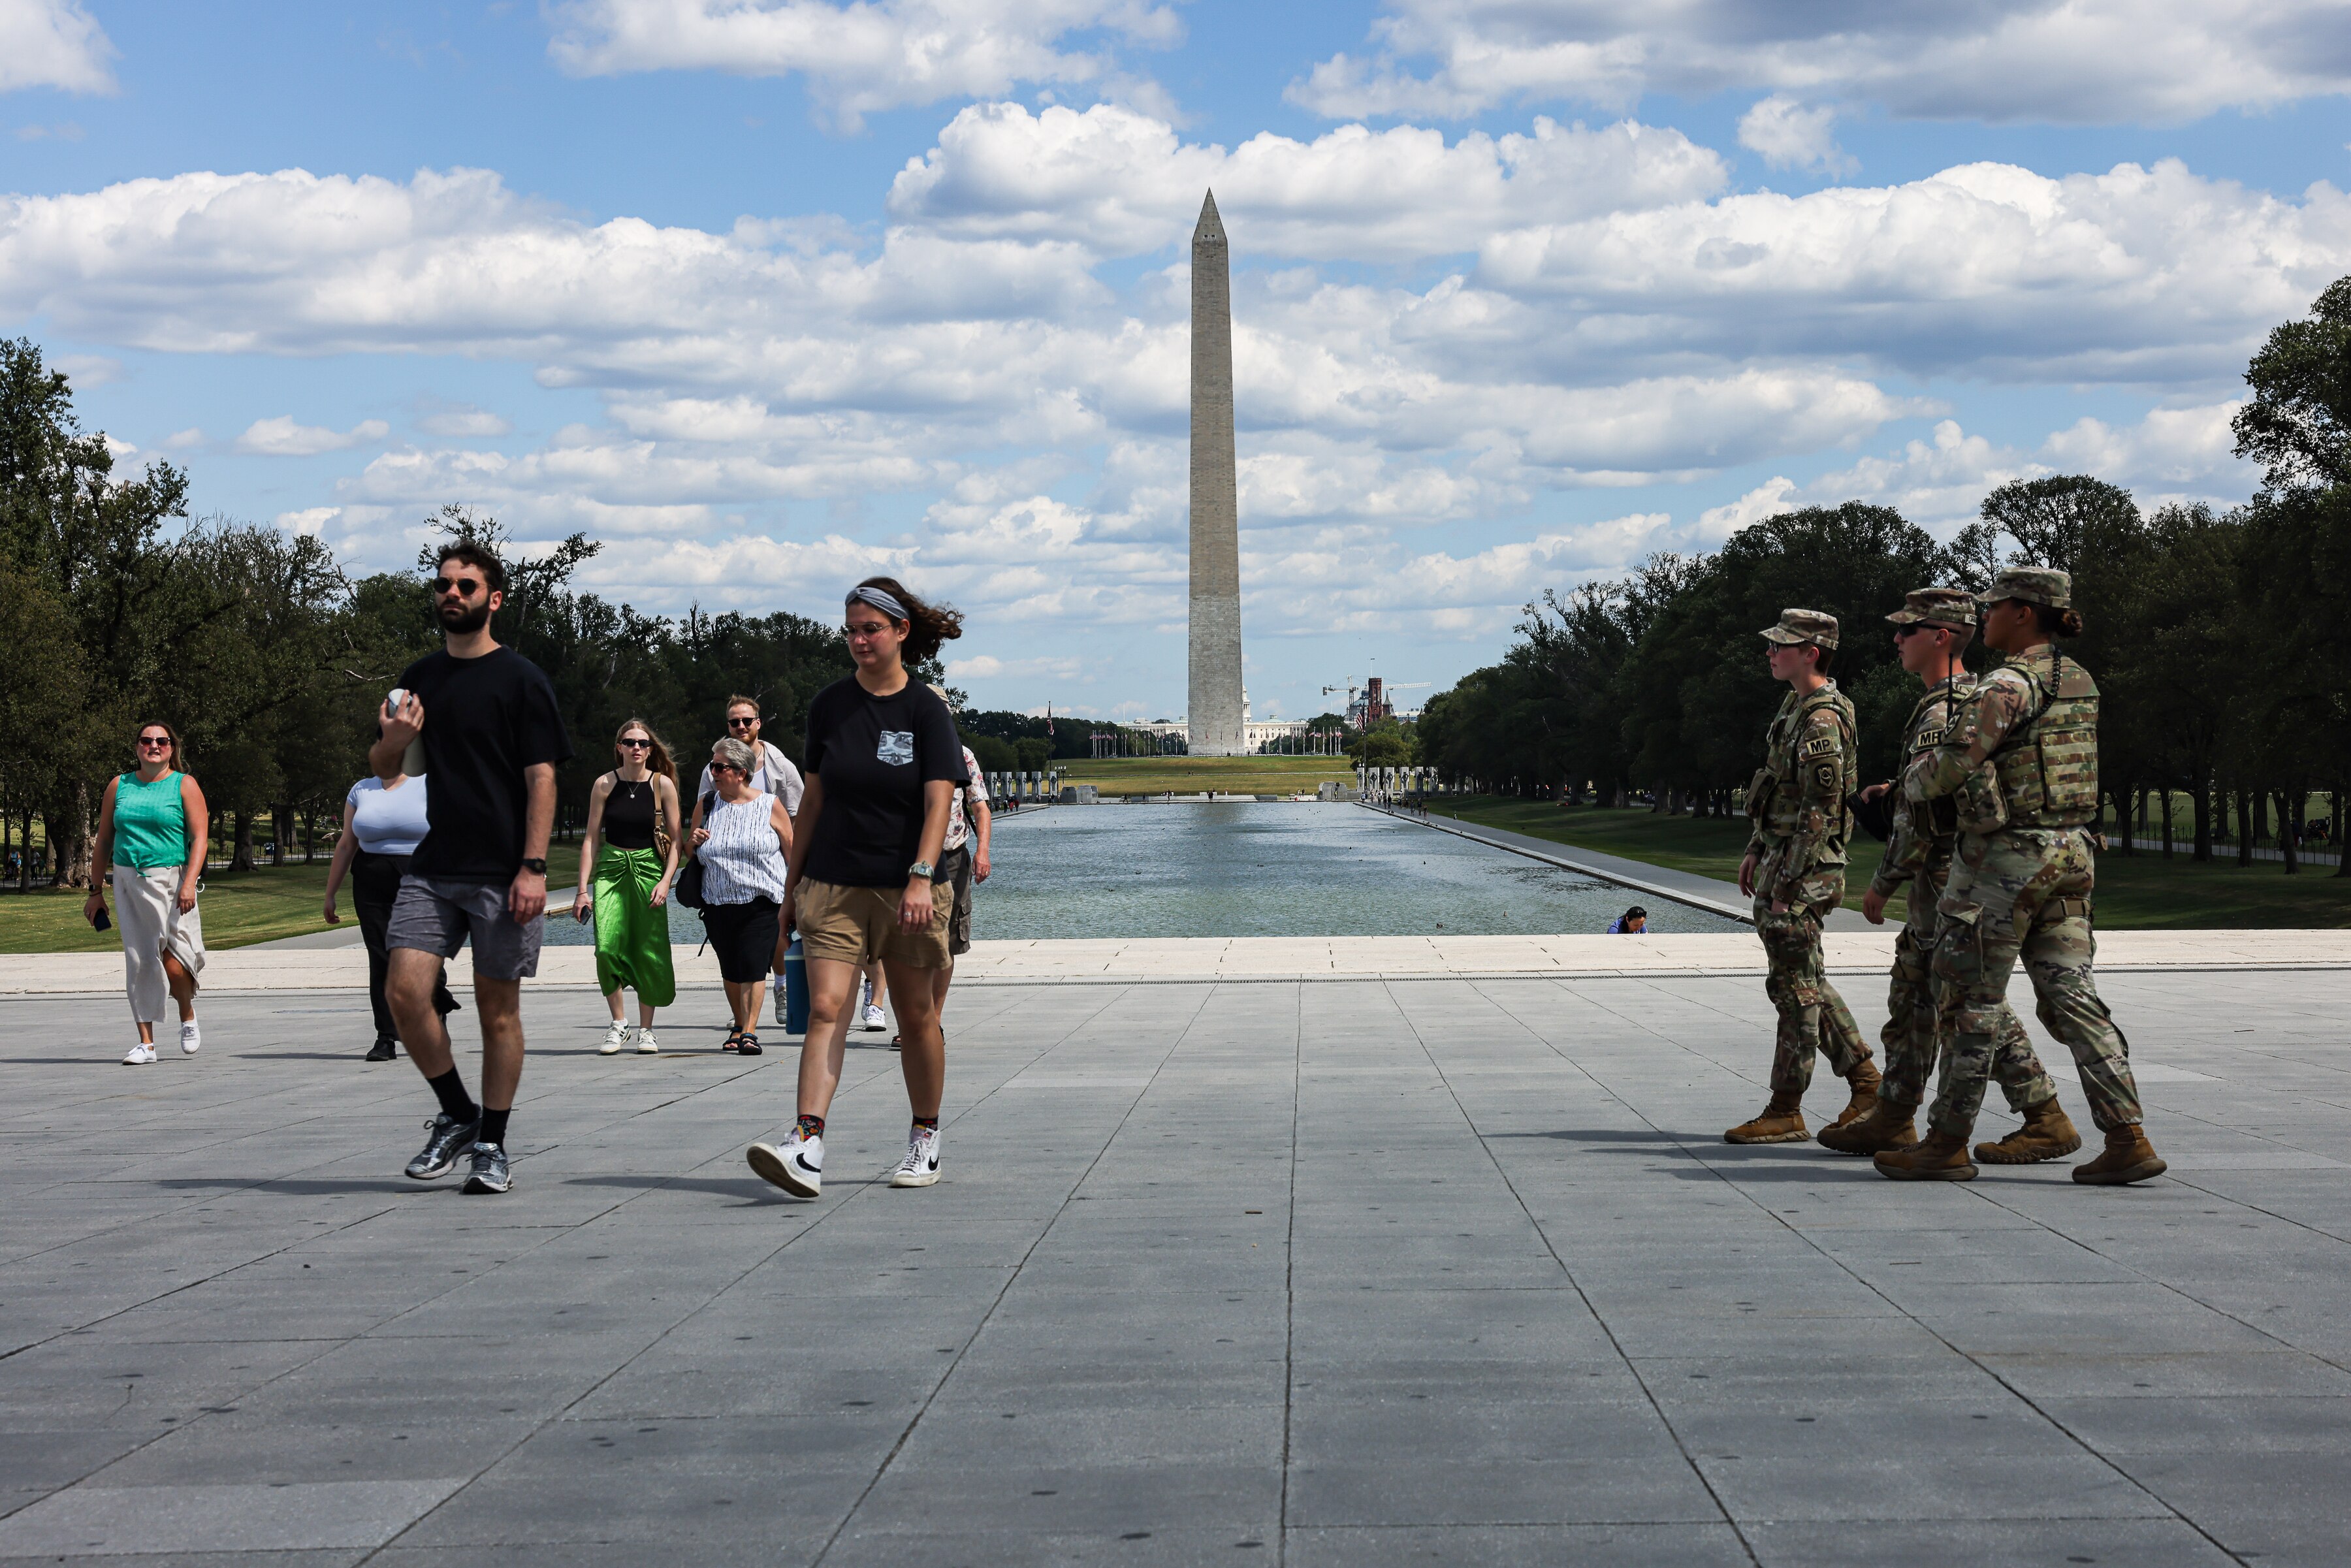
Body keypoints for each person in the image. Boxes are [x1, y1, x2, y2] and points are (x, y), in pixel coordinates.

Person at [1876, 568, 2166, 1185]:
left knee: (1969, 1000)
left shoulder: (2006, 683)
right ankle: (2127, 1135)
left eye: (1995, 606)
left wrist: (1906, 781)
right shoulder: (2079, 680)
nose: (1985, 616)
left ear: (2025, 613)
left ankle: (1946, 1141)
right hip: (2071, 853)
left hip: (2005, 862)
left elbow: (1950, 766)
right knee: (2073, 997)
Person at [1823, 588, 2073, 1159]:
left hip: (1948, 884)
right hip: (1946, 884)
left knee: (1968, 1001)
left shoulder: (1946, 707)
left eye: (1907, 630)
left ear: (1941, 636)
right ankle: (1892, 1113)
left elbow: (1922, 818)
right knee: (1913, 996)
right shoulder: (1951, 700)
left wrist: (1885, 879)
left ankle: (2044, 1113)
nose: (1896, 639)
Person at [746, 576, 967, 1198]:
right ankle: (806, 1142)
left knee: (916, 1014)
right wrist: (791, 889)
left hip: (907, 889)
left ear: (901, 632)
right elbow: (812, 800)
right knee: (824, 1008)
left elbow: (937, 802)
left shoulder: (925, 709)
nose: (859, 640)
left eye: (872, 628)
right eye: (851, 629)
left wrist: (922, 877)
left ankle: (925, 1137)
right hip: (833, 881)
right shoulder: (830, 706)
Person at [376, 539, 573, 1196]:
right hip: (435, 864)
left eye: (464, 585)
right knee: (404, 992)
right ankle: (458, 1113)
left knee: (498, 1013)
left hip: (505, 870)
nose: (450, 594)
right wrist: (396, 742)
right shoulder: (420, 677)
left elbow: (542, 778)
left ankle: (492, 1141)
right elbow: (387, 768)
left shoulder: (523, 680)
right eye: (442, 585)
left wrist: (534, 867)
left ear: (493, 598)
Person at [1727, 609, 1880, 1144]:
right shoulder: (1795, 706)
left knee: (1794, 990)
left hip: (1804, 872)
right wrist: (1756, 847)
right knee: (1805, 982)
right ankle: (1867, 1084)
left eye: (1782, 646)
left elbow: (1820, 809)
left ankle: (1786, 1108)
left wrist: (1788, 884)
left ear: (1812, 652)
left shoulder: (1822, 718)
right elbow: (1776, 789)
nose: (1771, 653)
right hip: (1783, 862)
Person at [84, 722, 208, 1064]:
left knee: (175, 964)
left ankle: (186, 1012)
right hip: (128, 880)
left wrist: (188, 883)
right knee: (139, 960)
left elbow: (199, 839)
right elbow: (105, 839)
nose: (154, 746)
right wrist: (96, 890)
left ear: (172, 748)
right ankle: (146, 1043)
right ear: (137, 747)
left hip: (171, 881)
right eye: (146, 741)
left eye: (161, 741)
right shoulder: (118, 785)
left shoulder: (184, 785)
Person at [322, 757, 459, 1061]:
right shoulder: (361, 791)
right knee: (382, 958)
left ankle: (437, 1009)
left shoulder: (429, 785)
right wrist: (330, 894)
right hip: (371, 883)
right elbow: (347, 844)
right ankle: (386, 1036)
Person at [688, 696, 803, 1024]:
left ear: (758, 723)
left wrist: (792, 879)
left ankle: (780, 990)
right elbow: (702, 821)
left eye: (746, 721)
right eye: (733, 722)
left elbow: (798, 817)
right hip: (722, 887)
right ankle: (743, 1016)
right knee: (735, 960)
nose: (740, 727)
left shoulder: (780, 766)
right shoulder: (713, 772)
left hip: (766, 873)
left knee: (774, 940)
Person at [572, 720, 682, 1055]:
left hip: (649, 869)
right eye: (630, 742)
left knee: (648, 948)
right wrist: (581, 890)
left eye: (643, 743)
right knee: (607, 947)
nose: (637, 748)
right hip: (611, 868)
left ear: (650, 749)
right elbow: (591, 838)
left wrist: (666, 881)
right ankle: (619, 1024)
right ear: (619, 746)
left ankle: (646, 1030)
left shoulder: (662, 785)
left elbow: (677, 840)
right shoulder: (604, 784)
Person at [893, 694, 989, 1051]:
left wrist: (982, 852)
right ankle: (909, 1020)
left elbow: (979, 808)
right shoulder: (897, 749)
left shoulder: (961, 754)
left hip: (951, 857)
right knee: (904, 941)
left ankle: (932, 1021)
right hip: (904, 857)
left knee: (946, 943)